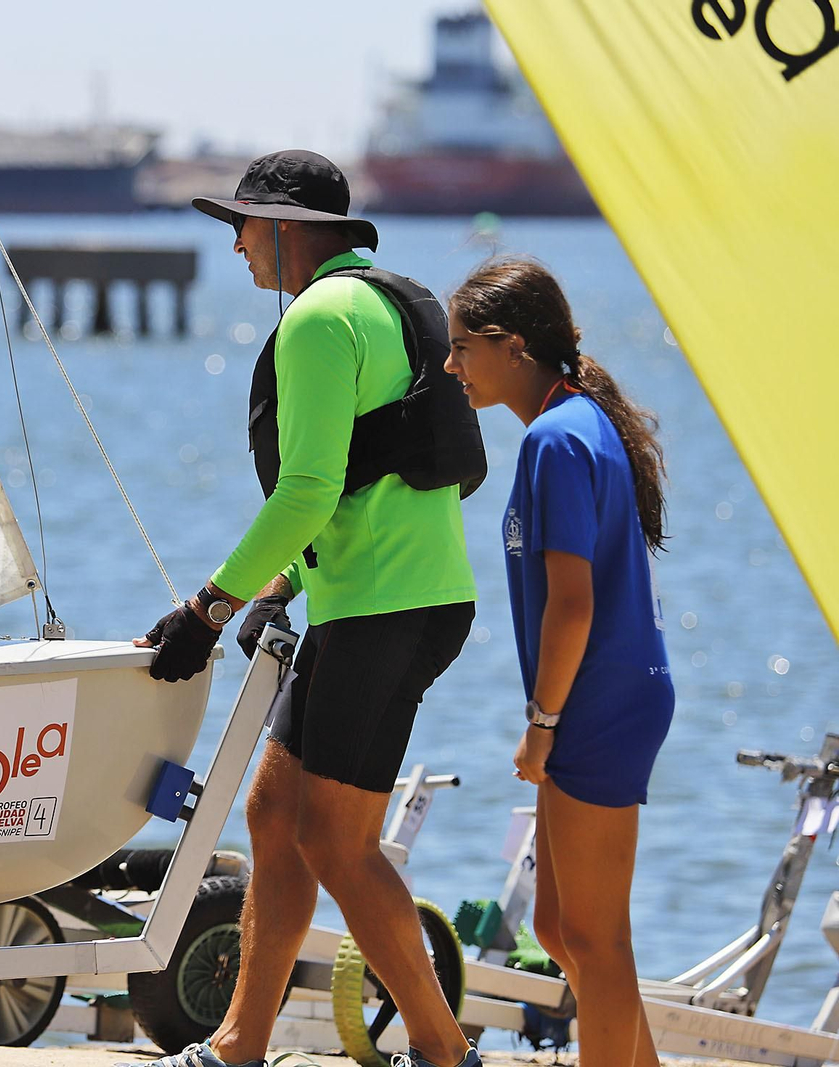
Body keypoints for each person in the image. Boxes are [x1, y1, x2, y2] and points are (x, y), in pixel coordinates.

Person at [131, 151, 481, 1067]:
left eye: (242, 223)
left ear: (287, 226)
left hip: (386, 611)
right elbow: (380, 470)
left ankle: (447, 1053)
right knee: (275, 813)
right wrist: (288, 581)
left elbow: (309, 488)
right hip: (384, 597)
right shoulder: (389, 302)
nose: (237, 242)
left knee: (336, 838)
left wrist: (209, 607)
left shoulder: (319, 318)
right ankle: (240, 1042)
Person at [445, 259, 672, 1067]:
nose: (451, 365)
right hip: (592, 696)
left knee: (596, 937)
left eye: (462, 346)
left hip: (599, 701)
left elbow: (573, 604)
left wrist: (541, 726)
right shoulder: (567, 424)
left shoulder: (556, 437)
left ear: (509, 346)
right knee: (554, 926)